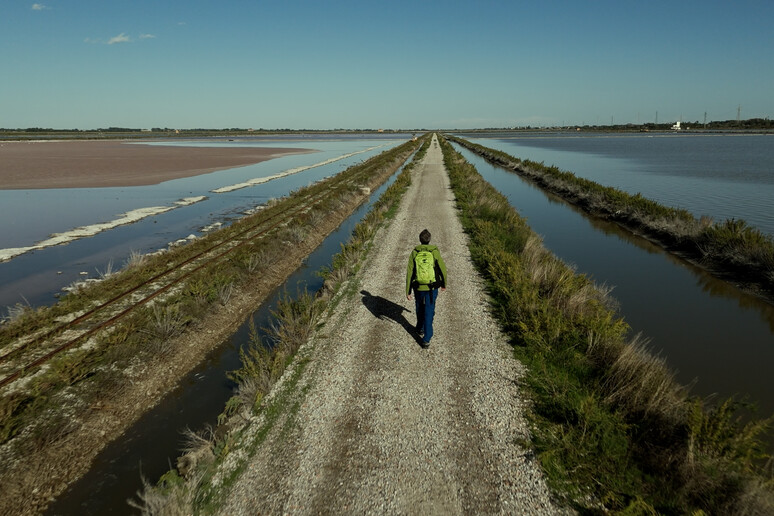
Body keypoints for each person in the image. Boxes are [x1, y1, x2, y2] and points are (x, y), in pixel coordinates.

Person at [406, 229, 447, 348]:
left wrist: (408, 291)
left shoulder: (414, 253)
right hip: (431, 288)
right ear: (429, 240)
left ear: (420, 240)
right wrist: (444, 284)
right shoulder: (434, 252)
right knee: (429, 310)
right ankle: (426, 339)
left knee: (419, 308)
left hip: (418, 287)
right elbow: (443, 269)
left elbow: (409, 273)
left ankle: (420, 328)